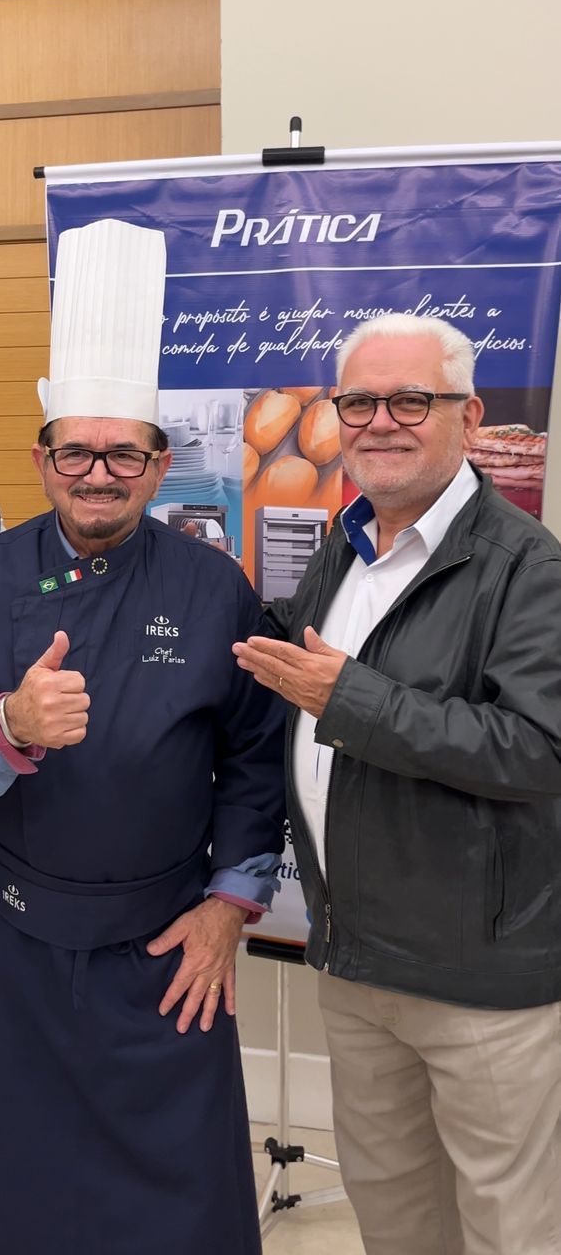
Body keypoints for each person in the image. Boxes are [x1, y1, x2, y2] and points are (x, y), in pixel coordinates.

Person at [0, 219, 286, 1255]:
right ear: (42, 457)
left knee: (168, 1200)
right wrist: (5, 726)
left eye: (123, 453)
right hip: (3, 939)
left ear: (159, 464)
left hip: (165, 943)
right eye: (75, 450)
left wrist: (229, 909)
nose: (97, 473)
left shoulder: (214, 587)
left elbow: (256, 756)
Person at [234, 313, 561, 1255]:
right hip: (355, 962)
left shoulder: (528, 566)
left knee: (509, 1228)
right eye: (360, 402)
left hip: (478, 978)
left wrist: (353, 702)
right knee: (395, 1217)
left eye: (411, 400)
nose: (380, 422)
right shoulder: (345, 546)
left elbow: (540, 748)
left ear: (469, 417)